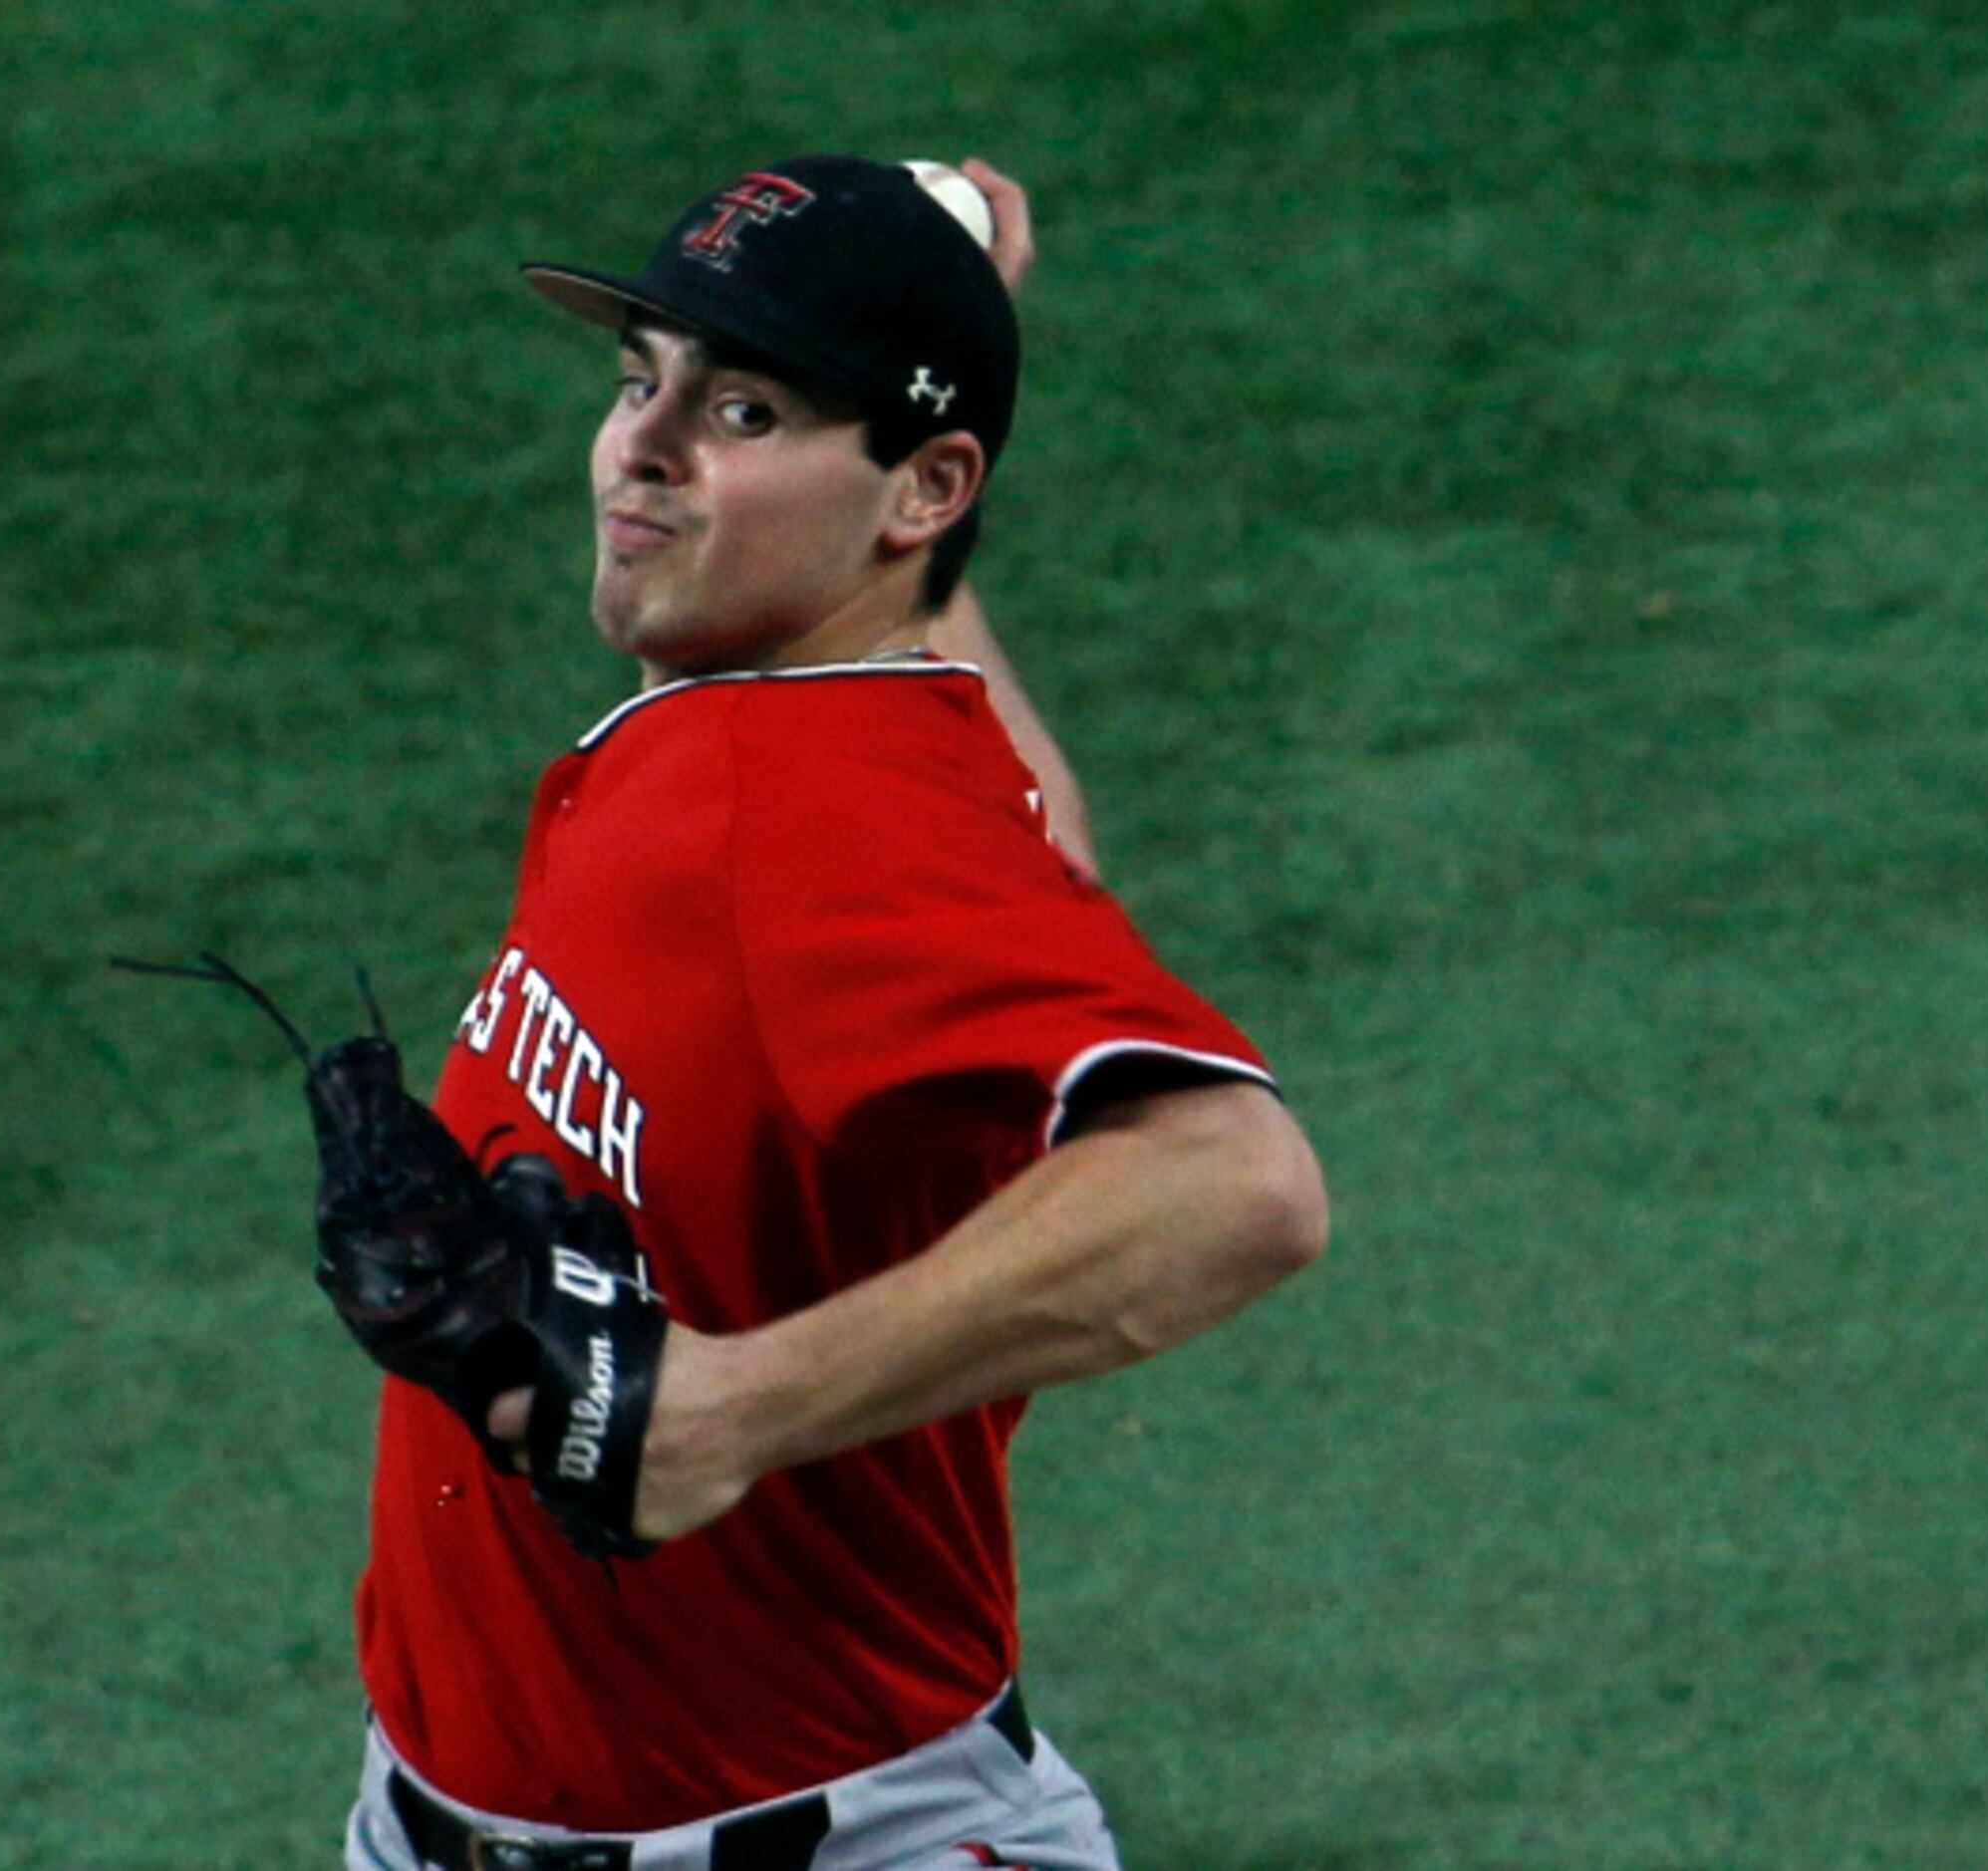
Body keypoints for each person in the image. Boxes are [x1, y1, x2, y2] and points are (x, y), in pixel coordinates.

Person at [344, 153, 1328, 1871]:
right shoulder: (824, 738)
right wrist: (925, 427)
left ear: (925, 487)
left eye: (742, 408)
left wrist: (730, 1410)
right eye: (640, 377)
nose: (643, 446)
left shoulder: (801, 812)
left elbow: (1237, 1179)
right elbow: (1035, 857)